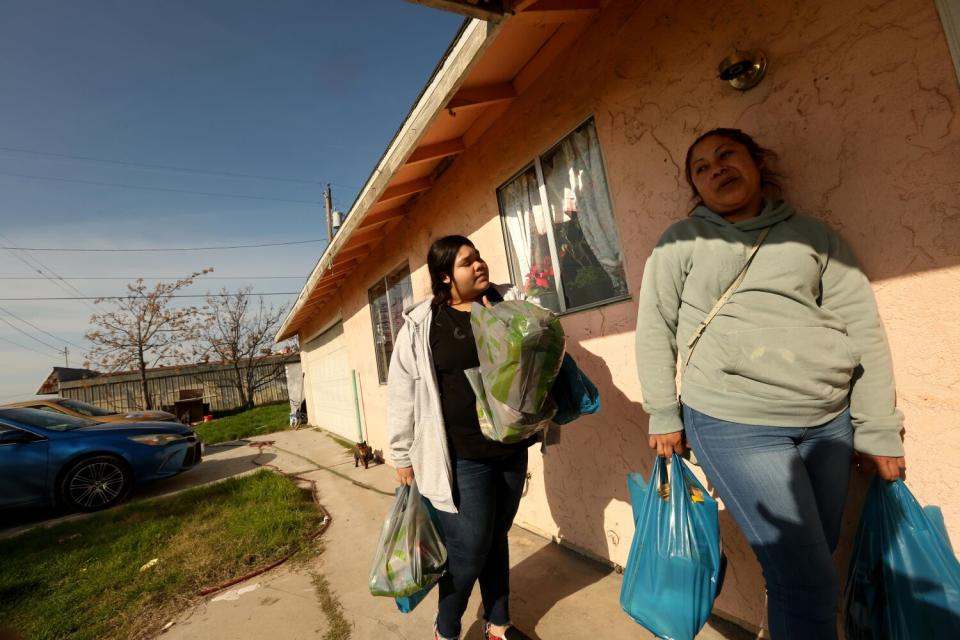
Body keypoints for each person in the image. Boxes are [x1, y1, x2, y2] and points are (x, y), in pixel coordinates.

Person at [635, 128, 906, 640]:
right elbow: (655, 328)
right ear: (697, 188)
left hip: (828, 421)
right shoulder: (681, 241)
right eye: (701, 167)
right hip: (734, 421)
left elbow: (864, 327)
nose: (716, 168)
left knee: (808, 569)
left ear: (758, 163)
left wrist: (877, 427)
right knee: (808, 581)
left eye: (727, 155)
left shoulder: (815, 236)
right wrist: (663, 413)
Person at [387, 235, 535, 640]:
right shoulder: (422, 326)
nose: (479, 265)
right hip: (460, 455)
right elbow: (402, 392)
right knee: (469, 550)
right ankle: (446, 628)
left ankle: (498, 622)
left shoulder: (505, 305)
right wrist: (401, 455)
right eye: (467, 262)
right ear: (445, 276)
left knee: (496, 535)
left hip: (509, 446)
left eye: (479, 258)